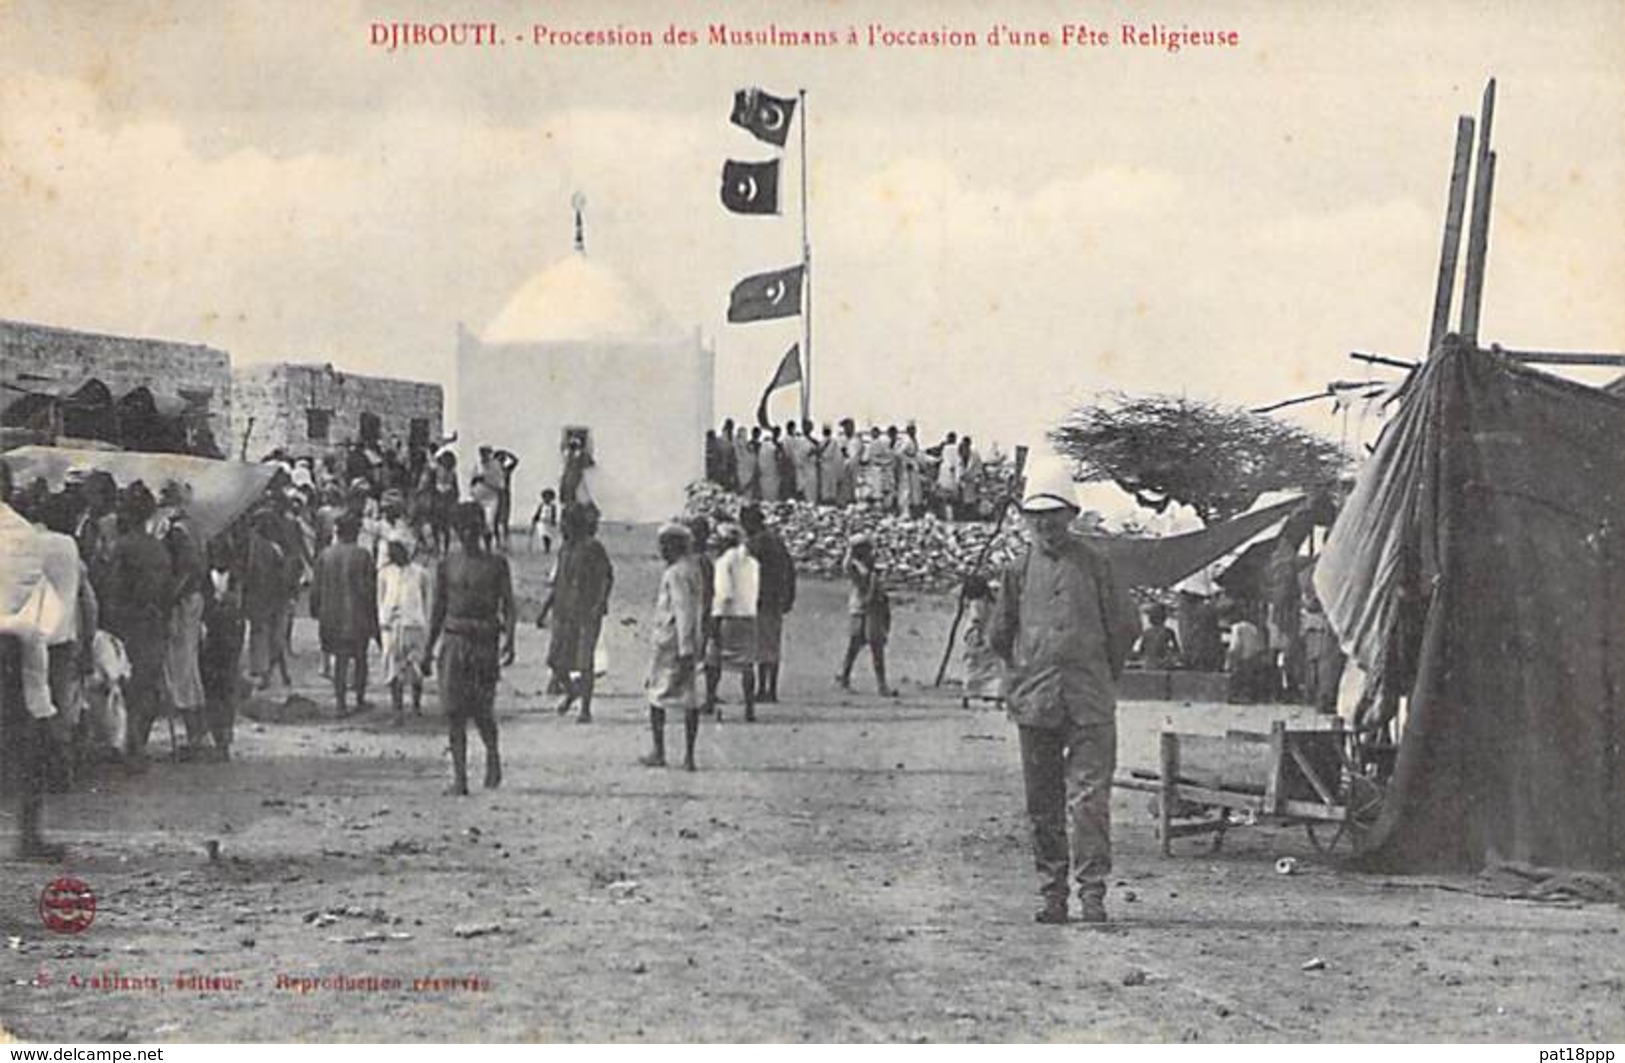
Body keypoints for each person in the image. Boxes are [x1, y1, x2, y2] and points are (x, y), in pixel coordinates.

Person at [990, 457, 1138, 925]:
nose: (1046, 526)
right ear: (1027, 520)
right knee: (1044, 803)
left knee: (1090, 800)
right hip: (1035, 703)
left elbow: (1124, 628)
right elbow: (999, 634)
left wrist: (1100, 676)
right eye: (1037, 518)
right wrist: (1019, 679)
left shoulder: (1097, 565)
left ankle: (1092, 894)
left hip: (1090, 700)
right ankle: (1051, 893)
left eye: (1054, 516)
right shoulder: (1016, 571)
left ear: (1071, 515)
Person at [425, 503, 515, 795]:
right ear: (455, 530)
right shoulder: (446, 564)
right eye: (462, 528)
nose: (467, 533)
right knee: (453, 712)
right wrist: (428, 649)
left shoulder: (496, 564)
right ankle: (460, 779)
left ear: (480, 528)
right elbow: (438, 608)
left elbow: (509, 606)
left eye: (473, 527)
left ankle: (492, 755)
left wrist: (510, 640)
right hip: (453, 640)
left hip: (484, 642)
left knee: (482, 710)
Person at [101, 482, 173, 763]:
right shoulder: (158, 549)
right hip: (154, 622)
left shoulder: (122, 547)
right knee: (146, 685)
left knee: (126, 686)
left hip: (128, 622)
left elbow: (113, 589)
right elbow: (168, 590)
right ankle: (138, 743)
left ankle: (130, 745)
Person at [640, 522, 706, 770]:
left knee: (657, 696)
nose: (661, 551)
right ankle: (689, 756)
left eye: (664, 546)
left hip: (670, 643)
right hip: (685, 641)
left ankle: (660, 751)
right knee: (690, 699)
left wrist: (685, 647)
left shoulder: (675, 573)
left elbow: (683, 610)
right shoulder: (693, 568)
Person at [545, 503, 613, 723]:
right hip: (563, 612)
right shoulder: (564, 549)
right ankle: (573, 691)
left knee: (585, 662)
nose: (562, 527)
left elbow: (606, 578)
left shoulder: (593, 548)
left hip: (586, 612)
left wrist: (599, 604)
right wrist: (545, 609)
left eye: (565, 523)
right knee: (556, 661)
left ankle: (585, 709)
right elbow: (558, 583)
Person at [310, 513, 378, 717]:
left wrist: (316, 610)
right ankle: (359, 699)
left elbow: (316, 588)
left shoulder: (325, 555)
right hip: (358, 617)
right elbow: (369, 590)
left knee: (339, 660)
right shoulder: (363, 555)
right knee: (360, 659)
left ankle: (340, 704)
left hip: (331, 616)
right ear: (355, 533)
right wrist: (373, 616)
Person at [158, 482, 209, 756]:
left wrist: (170, 597)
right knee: (188, 667)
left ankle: (194, 735)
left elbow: (188, 568)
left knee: (181, 668)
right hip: (194, 598)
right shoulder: (195, 526)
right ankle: (197, 734)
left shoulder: (178, 530)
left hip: (184, 601)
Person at [740, 504, 795, 704]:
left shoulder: (754, 544)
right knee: (773, 645)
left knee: (760, 646)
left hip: (759, 600)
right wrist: (789, 596)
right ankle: (771, 689)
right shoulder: (777, 541)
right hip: (776, 600)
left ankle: (763, 688)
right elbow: (790, 569)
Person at [200, 534, 245, 760]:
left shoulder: (234, 578)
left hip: (225, 640)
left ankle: (224, 740)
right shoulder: (206, 579)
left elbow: (236, 607)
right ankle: (218, 738)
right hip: (212, 640)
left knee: (224, 691)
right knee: (214, 691)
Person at [836, 534, 897, 697]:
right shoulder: (857, 567)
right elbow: (848, 567)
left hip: (870, 607)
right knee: (864, 645)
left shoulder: (868, 568)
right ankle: (878, 684)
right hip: (864, 607)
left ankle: (848, 677)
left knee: (864, 645)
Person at [378, 534, 431, 720]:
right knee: (393, 668)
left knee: (415, 667)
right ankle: (397, 709)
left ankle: (416, 705)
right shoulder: (384, 573)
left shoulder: (420, 573)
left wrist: (426, 625)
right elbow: (380, 599)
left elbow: (427, 601)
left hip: (414, 625)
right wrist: (383, 622)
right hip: (391, 626)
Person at [709, 522, 759, 721]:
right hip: (748, 615)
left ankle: (710, 699)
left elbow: (724, 594)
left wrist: (715, 618)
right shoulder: (752, 562)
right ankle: (749, 707)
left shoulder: (723, 563)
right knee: (747, 664)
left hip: (728, 616)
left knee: (714, 660)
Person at [243, 508, 291, 689]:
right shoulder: (267, 546)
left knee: (265, 636)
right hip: (270, 596)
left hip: (264, 596)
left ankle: (269, 674)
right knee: (272, 637)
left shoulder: (256, 544)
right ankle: (272, 674)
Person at [1134, 602, 1182, 671]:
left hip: (1149, 663)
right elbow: (1177, 651)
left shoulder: (1147, 632)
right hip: (1161, 662)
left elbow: (1141, 651)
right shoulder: (1168, 631)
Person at [529, 488, 560, 554]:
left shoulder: (553, 506)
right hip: (542, 523)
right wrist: (534, 519)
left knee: (549, 536)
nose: (547, 499)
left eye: (549, 497)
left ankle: (547, 547)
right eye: (546, 497)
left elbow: (554, 515)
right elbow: (538, 513)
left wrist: (553, 521)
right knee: (544, 535)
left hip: (549, 523)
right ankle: (545, 547)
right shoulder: (541, 506)